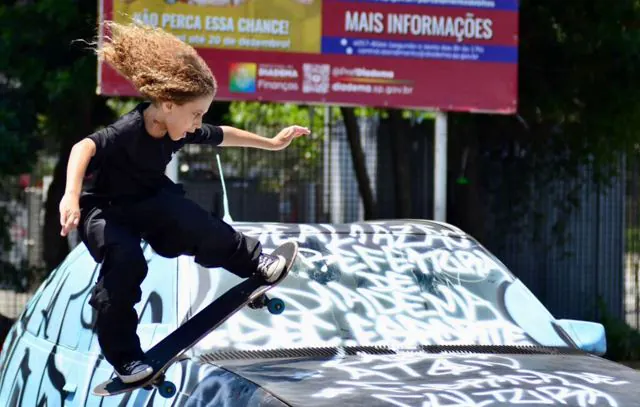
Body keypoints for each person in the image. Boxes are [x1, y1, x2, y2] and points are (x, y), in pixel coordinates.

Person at [58, 20, 309, 384]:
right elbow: (84, 147)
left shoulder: (179, 126)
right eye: (195, 114)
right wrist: (70, 195)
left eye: (202, 116)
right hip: (106, 213)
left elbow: (223, 135)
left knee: (192, 219)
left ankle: (256, 261)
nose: (197, 124)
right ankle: (126, 358)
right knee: (125, 263)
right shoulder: (128, 130)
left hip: (149, 201)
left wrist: (272, 143)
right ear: (166, 103)